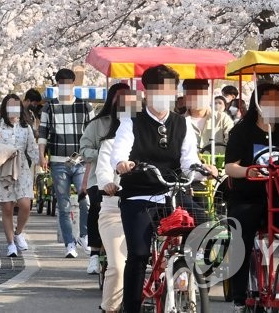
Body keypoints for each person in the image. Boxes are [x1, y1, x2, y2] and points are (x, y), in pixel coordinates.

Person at [112, 65, 220, 313]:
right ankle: (131, 308)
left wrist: (202, 170)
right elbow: (120, 151)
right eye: (158, 90)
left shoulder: (182, 123)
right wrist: (122, 164)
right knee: (138, 254)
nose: (163, 96)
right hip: (138, 195)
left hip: (172, 193)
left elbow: (188, 162)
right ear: (146, 92)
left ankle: (187, 273)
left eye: (169, 90)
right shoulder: (132, 121)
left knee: (207, 223)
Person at [223, 81, 279, 313]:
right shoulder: (241, 131)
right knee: (242, 232)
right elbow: (230, 167)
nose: (274, 106)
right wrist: (248, 171)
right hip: (248, 196)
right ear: (257, 103)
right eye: (269, 101)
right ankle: (239, 296)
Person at [39, 68, 93, 258]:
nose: (64, 86)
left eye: (67, 83)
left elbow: (92, 132)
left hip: (80, 161)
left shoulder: (85, 107)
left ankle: (85, 235)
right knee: (63, 205)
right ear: (57, 85)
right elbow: (43, 133)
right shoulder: (49, 107)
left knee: (85, 199)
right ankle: (69, 243)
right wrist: (41, 155)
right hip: (58, 161)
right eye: (61, 83)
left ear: (73, 85)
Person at [79, 82, 131, 275]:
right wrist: (103, 153)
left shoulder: (135, 124)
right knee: (97, 205)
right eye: (120, 96)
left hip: (128, 177)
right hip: (99, 177)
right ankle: (94, 251)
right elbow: (84, 150)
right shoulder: (98, 124)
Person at [96, 86, 135, 313]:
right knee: (119, 267)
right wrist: (108, 185)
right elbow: (103, 172)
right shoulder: (109, 144)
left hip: (150, 210)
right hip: (115, 210)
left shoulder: (149, 146)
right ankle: (110, 308)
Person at [0, 93, 39, 256]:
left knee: (25, 204)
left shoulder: (26, 127)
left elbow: (32, 148)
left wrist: (41, 160)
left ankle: (18, 233)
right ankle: (10, 243)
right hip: (3, 168)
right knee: (7, 207)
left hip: (22, 167)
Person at [183, 79, 234, 155]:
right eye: (191, 93)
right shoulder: (179, 122)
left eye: (200, 93)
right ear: (185, 97)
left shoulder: (223, 119)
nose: (196, 97)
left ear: (207, 94)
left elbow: (233, 146)